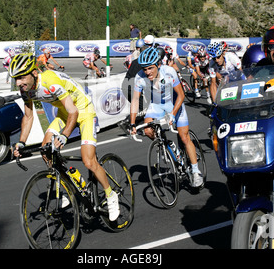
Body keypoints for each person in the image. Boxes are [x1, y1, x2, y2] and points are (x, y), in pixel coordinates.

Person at [10, 53, 120, 221]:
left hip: (83, 111)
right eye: (15, 79)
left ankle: (111, 195)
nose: (18, 83)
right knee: (46, 150)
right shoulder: (25, 90)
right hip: (64, 114)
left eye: (21, 77)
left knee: (89, 161)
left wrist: (64, 136)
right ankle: (68, 184)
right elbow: (29, 116)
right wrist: (21, 142)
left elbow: (74, 112)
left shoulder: (50, 82)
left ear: (33, 73)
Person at [129, 47, 203, 187]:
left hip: (173, 104)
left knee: (184, 137)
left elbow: (181, 95)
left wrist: (173, 114)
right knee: (148, 130)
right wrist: (132, 123)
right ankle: (165, 145)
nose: (147, 72)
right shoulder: (140, 77)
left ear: (158, 64)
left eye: (150, 68)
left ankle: (195, 171)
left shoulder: (169, 72)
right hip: (156, 105)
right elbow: (135, 100)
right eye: (144, 69)